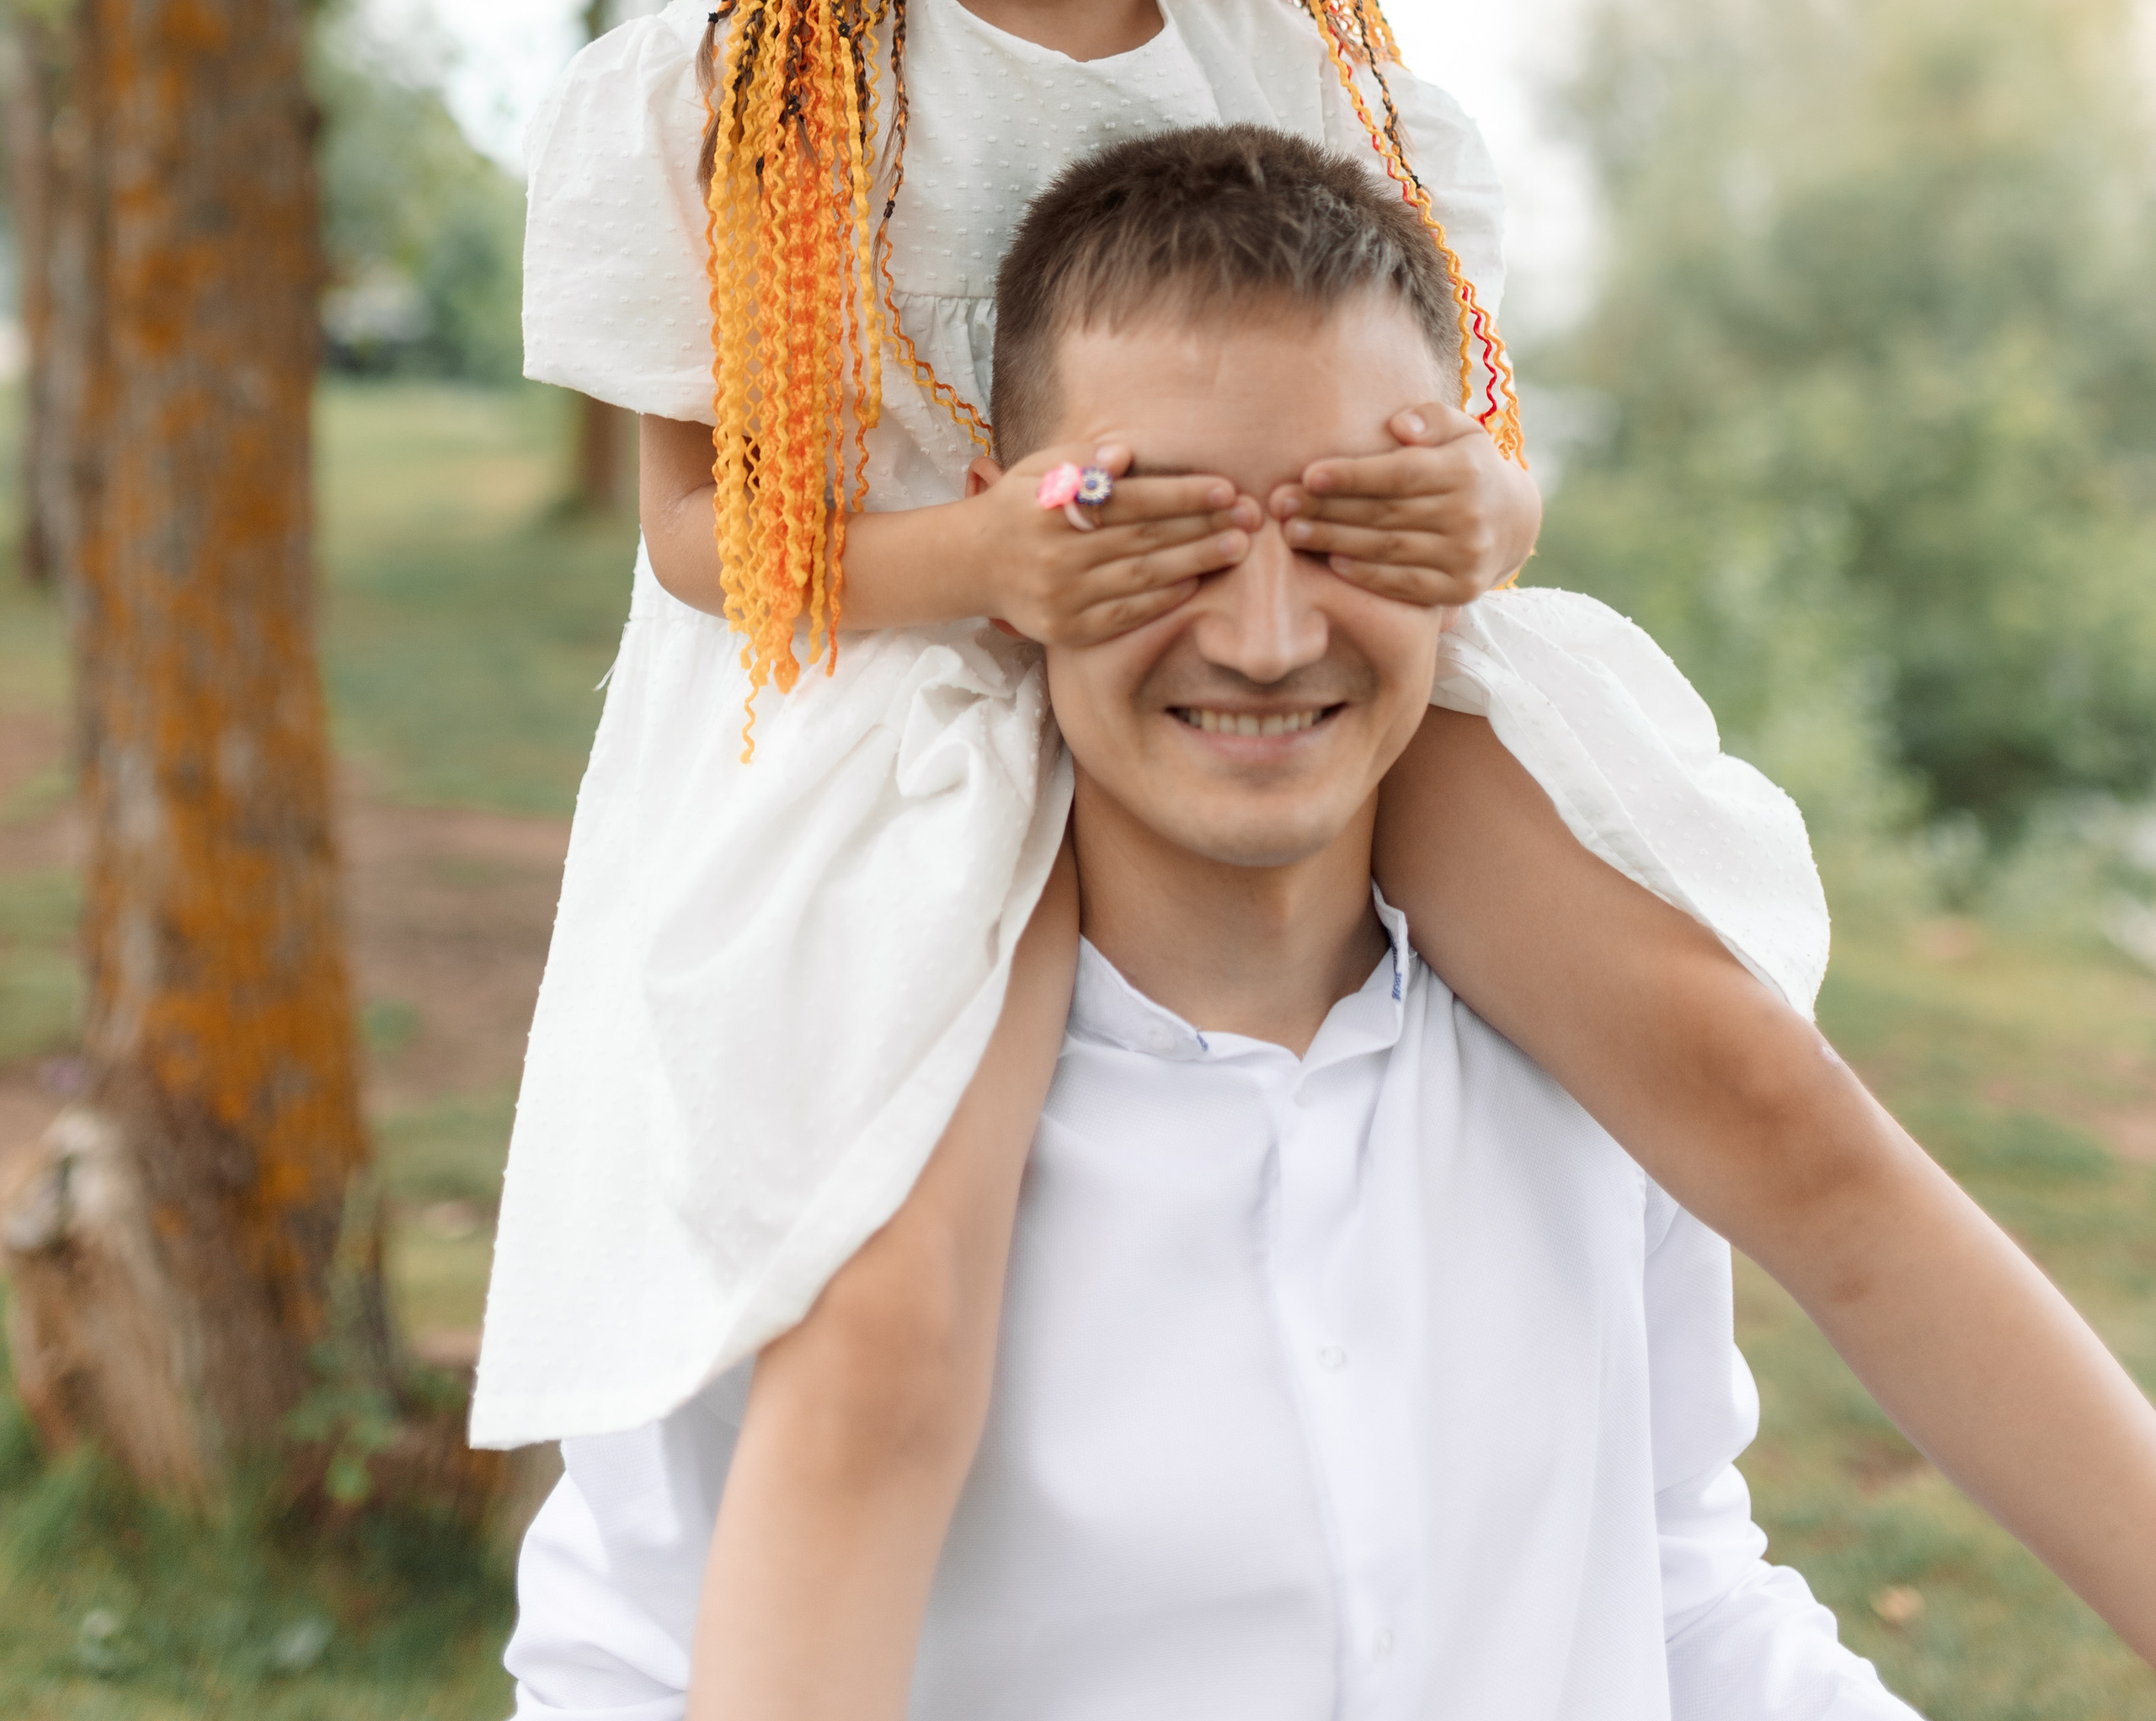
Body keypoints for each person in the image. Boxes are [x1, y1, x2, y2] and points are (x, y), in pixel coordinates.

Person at [476, 0, 2156, 1715]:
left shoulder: (1296, 67)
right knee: (892, 1326)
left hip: (1278, 631)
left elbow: (1475, 429)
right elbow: (692, 530)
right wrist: (994, 564)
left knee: (1752, 1080)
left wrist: (1482, 505)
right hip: (911, 692)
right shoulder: (757, 81)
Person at [510, 126, 1895, 1714]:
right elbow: (626, 1656)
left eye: (1347, 527)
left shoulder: (1600, 1059)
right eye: (1157, 532)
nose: (1264, 634)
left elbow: (1681, 1582)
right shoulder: (792, 1072)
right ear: (1009, 544)